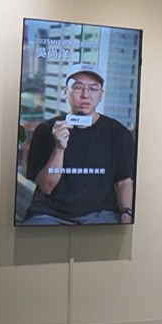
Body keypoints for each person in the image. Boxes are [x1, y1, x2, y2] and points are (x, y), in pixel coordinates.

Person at [22, 63, 136, 225]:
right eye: (78, 87)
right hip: (49, 213)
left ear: (101, 95)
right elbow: (46, 187)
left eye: (93, 88)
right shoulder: (46, 129)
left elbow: (124, 181)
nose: (85, 95)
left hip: (101, 213)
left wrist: (127, 212)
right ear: (65, 92)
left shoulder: (118, 132)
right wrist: (59, 148)